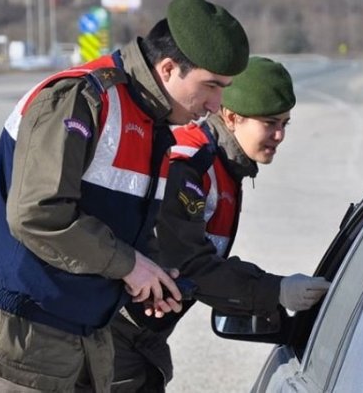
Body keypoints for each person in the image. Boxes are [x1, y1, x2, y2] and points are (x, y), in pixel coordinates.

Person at [0, 0, 250, 391]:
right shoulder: (80, 99)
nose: (216, 105)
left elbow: (117, 228)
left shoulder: (151, 122)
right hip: (16, 343)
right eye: (210, 86)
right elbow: (38, 215)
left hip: (81, 341)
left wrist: (149, 277)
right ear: (169, 68)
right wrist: (129, 267)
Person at [110, 56, 331, 391]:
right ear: (231, 117)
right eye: (270, 123)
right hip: (115, 334)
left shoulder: (224, 164)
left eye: (286, 123)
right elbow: (188, 263)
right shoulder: (190, 165)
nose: (280, 135)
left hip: (142, 337)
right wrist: (277, 290)